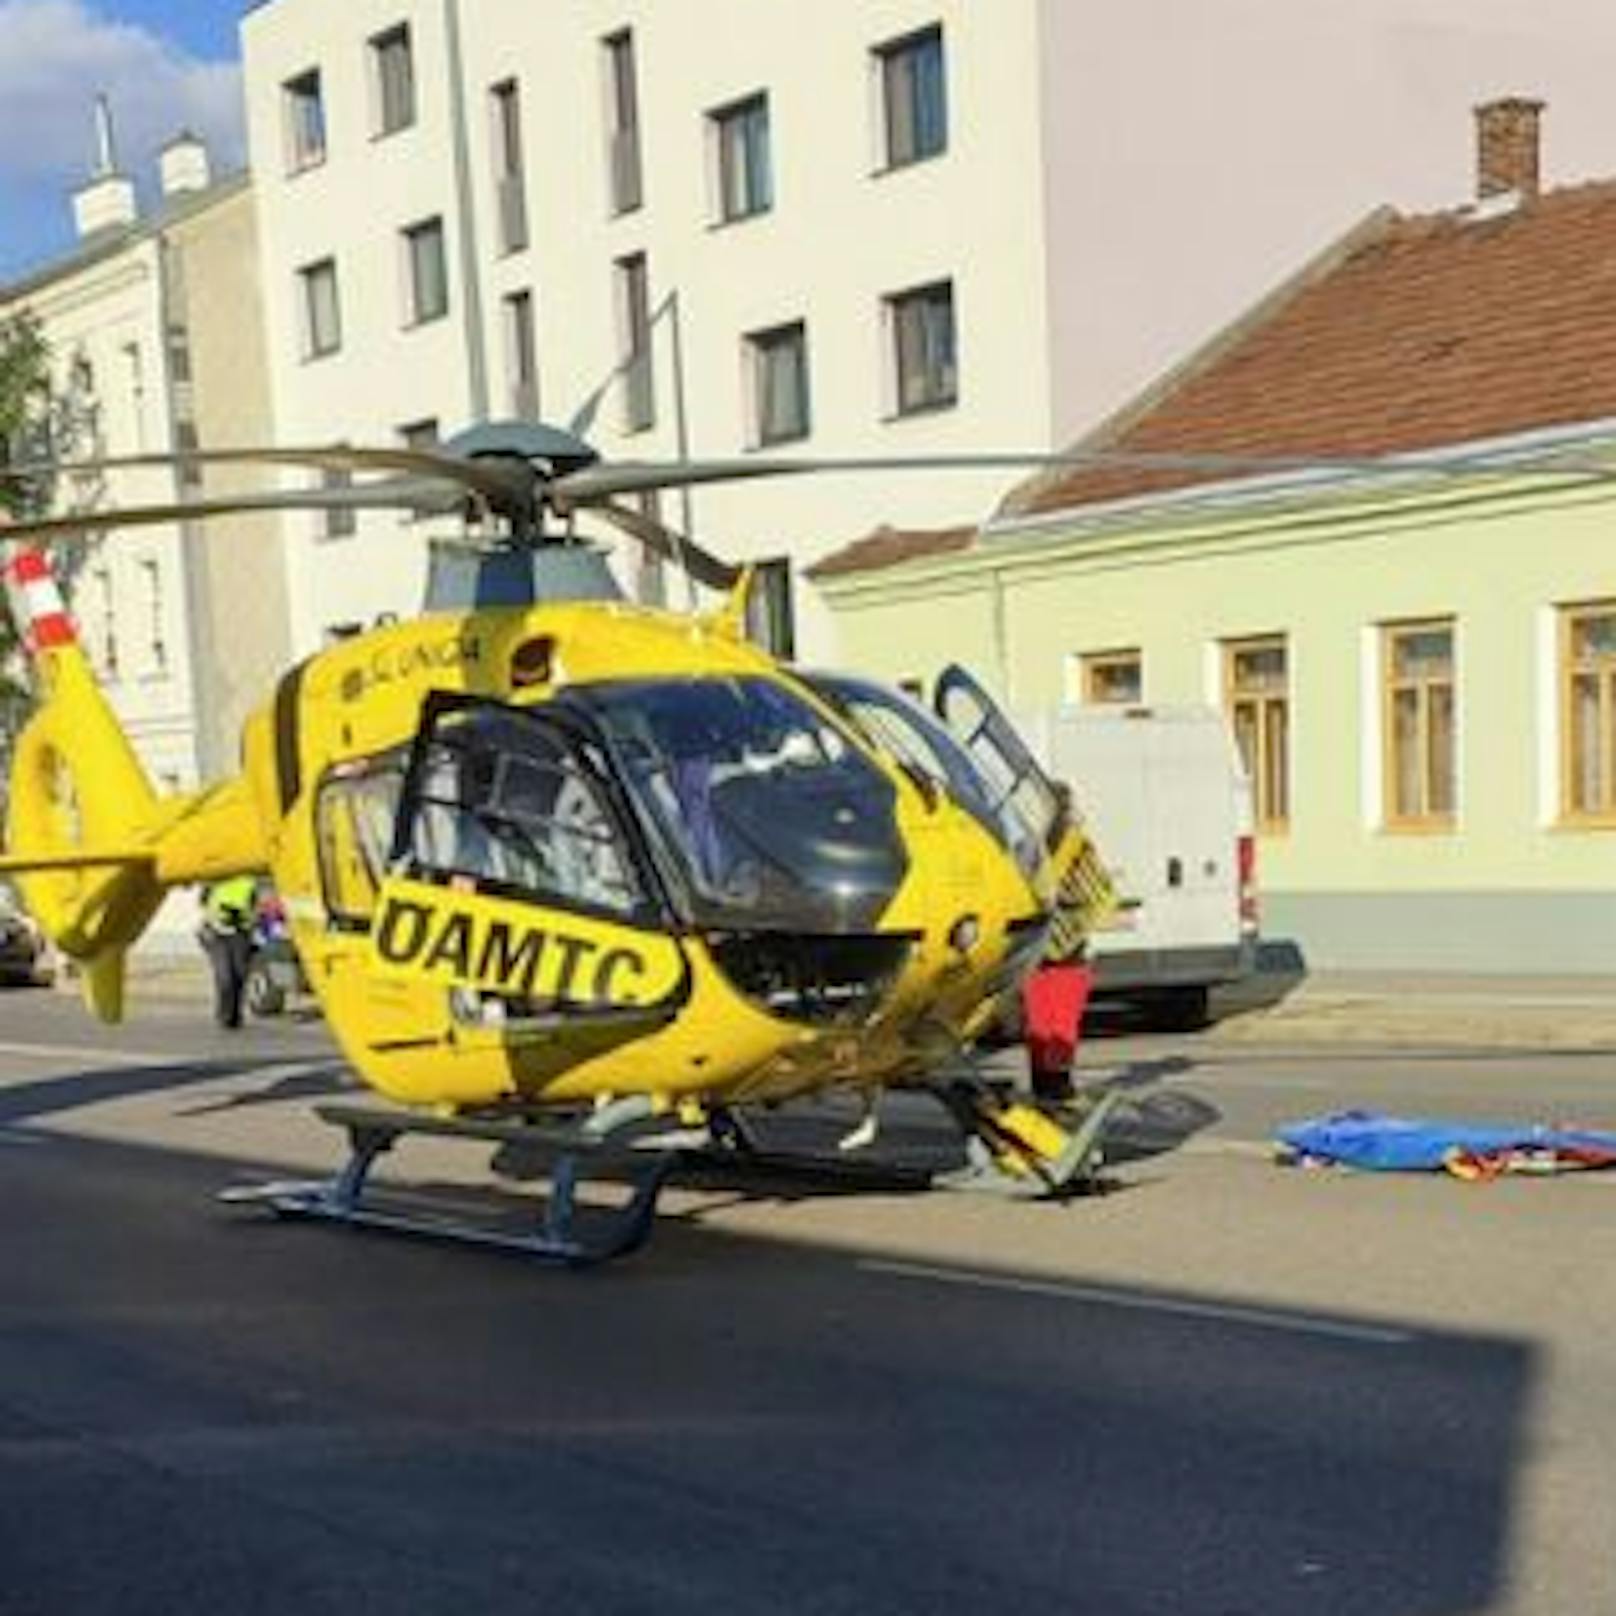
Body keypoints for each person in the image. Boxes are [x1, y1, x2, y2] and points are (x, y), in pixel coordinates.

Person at [198, 874, 258, 1029]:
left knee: (239, 974)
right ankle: (224, 1014)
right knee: (224, 975)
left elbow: (254, 907)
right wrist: (208, 924)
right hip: (217, 934)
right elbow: (203, 903)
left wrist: (247, 921)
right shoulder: (215, 879)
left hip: (240, 933)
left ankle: (235, 1014)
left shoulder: (248, 883)